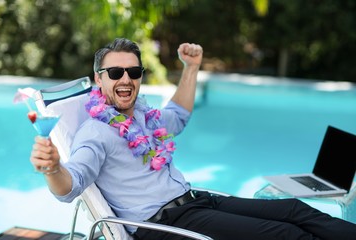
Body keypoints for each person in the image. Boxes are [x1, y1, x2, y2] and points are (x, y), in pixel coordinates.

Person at [30, 38, 356, 240]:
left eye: (134, 72)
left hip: (197, 200)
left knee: (294, 210)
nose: (125, 79)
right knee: (285, 235)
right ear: (99, 80)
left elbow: (178, 116)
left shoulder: (141, 115)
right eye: (115, 73)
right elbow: (69, 187)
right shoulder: (95, 133)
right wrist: (52, 169)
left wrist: (191, 68)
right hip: (165, 225)